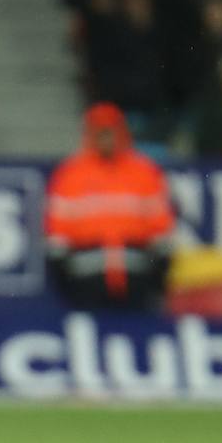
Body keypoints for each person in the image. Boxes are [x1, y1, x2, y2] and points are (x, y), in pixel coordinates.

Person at [45, 102, 175, 310]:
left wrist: (159, 273)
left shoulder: (144, 172)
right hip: (86, 280)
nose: (106, 139)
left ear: (121, 133)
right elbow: (57, 234)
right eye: (100, 133)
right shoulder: (70, 175)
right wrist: (63, 274)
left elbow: (160, 228)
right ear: (90, 134)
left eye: (110, 132)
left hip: (137, 278)